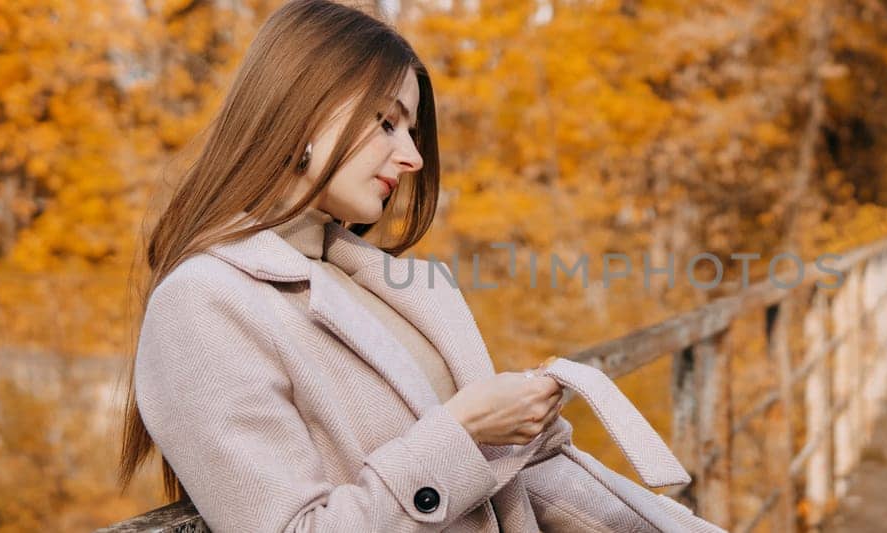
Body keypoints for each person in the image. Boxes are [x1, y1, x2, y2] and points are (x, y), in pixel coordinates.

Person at [114, 1, 724, 531]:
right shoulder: (202, 303)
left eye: (409, 128)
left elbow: (536, 485)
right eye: (385, 122)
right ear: (300, 110)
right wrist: (465, 430)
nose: (409, 157)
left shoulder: (369, 279)